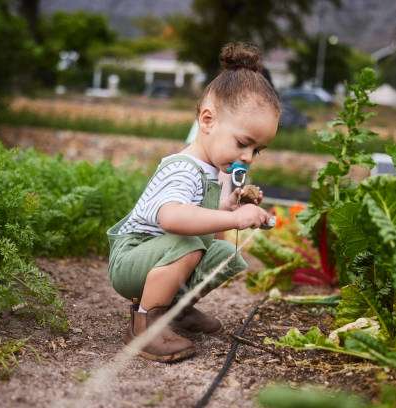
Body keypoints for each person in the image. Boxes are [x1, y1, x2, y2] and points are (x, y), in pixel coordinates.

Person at [106, 42, 281, 363]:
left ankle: (175, 308)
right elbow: (172, 219)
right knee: (189, 244)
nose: (247, 157)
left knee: (224, 253)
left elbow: (201, 220)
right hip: (133, 258)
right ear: (208, 120)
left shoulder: (211, 170)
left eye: (256, 151)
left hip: (159, 255)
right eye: (243, 143)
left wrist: (227, 208)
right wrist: (235, 220)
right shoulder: (183, 167)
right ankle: (145, 323)